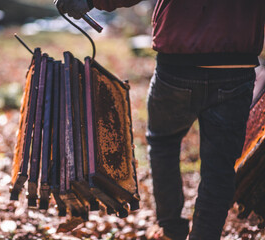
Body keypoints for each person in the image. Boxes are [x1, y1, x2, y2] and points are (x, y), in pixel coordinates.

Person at [56, 0, 265, 239]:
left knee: (163, 144)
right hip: (236, 66)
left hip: (178, 63)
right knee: (220, 166)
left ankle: (171, 229)